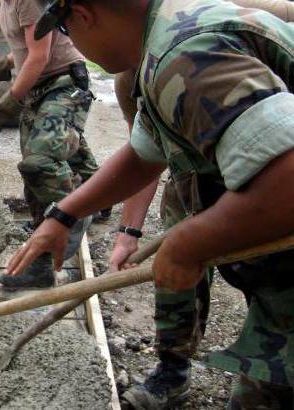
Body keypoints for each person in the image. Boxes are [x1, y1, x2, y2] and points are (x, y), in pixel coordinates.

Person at [7, 0, 294, 407]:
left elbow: (287, 179)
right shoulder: (161, 41)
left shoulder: (188, 53)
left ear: (84, 14)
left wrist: (186, 245)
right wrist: (65, 213)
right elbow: (146, 152)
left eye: (67, 32)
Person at [105, 1, 294, 407]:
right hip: (197, 171)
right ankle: (172, 372)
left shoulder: (209, 29)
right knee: (173, 265)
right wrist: (128, 233)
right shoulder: (132, 70)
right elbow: (145, 156)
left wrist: (195, 241)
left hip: (268, 168)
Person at [0, 0, 100, 289]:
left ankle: (67, 224)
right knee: (44, 173)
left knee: (40, 162)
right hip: (39, 88)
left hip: (62, 84)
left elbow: (38, 56)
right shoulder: (11, 1)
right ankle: (48, 252)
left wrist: (2, 109)